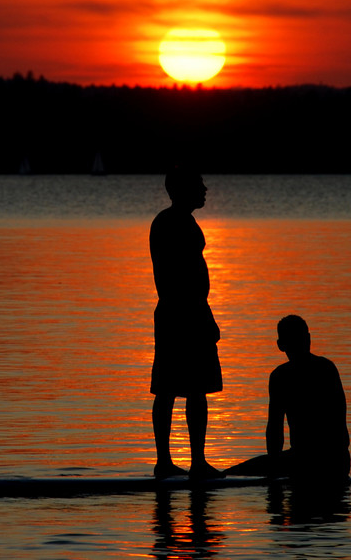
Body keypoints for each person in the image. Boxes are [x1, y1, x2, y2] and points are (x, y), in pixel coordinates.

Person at [149, 166, 223, 480]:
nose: (205, 190)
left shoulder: (182, 221)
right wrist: (199, 315)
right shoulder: (170, 222)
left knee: (194, 389)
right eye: (200, 185)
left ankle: (194, 461)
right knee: (174, 389)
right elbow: (178, 277)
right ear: (183, 189)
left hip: (186, 312)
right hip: (182, 314)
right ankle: (168, 462)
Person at [265, 315, 350, 487]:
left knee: (233, 473)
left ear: (280, 345)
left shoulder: (280, 377)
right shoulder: (327, 368)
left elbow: (274, 429)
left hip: (313, 461)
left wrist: (272, 467)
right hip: (337, 461)